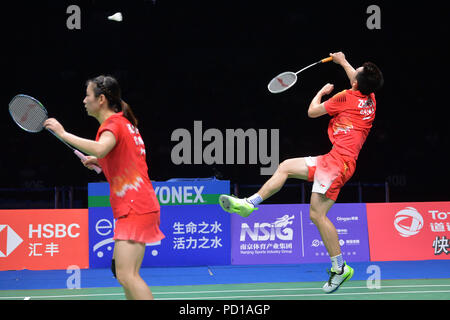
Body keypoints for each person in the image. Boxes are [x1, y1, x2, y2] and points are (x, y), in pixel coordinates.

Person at [219, 52, 384, 293]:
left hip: (337, 163)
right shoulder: (370, 99)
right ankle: (249, 204)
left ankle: (340, 268)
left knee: (317, 216)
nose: (353, 74)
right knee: (285, 167)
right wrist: (343, 61)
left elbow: (312, 112)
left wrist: (321, 93)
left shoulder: (346, 97)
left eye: (355, 73)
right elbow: (356, 79)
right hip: (338, 160)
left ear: (356, 83)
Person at [44, 75, 164, 300]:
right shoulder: (124, 123)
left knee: (127, 275)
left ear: (101, 99)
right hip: (139, 204)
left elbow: (102, 148)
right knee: (124, 275)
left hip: (134, 206)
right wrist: (100, 162)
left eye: (87, 95)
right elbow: (125, 158)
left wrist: (63, 133)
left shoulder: (113, 125)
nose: (83, 100)